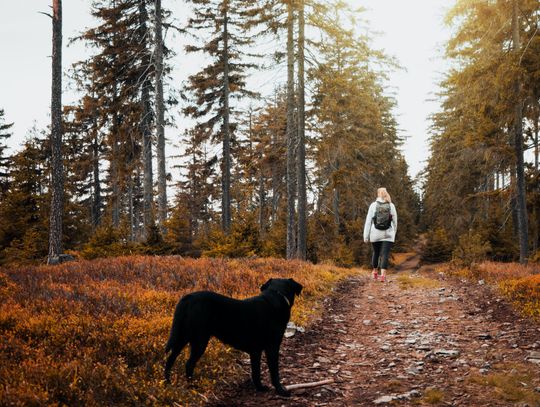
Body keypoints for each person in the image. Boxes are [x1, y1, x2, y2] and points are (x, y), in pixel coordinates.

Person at [363, 187, 398, 282]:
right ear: (386, 194)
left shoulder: (373, 205)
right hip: (388, 234)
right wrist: (393, 233)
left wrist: (366, 236)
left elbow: (368, 222)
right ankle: (383, 275)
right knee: (385, 254)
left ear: (378, 194)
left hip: (375, 234)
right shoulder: (391, 205)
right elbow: (395, 222)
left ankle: (375, 272)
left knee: (376, 252)